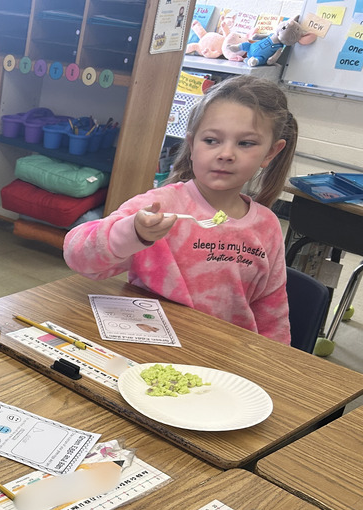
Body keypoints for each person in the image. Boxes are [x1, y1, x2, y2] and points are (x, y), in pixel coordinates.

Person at [64, 75, 297, 344]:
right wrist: (134, 233)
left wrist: (272, 365)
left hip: (225, 359)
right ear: (192, 145)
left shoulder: (266, 226)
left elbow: (272, 309)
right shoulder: (159, 208)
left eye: (245, 143)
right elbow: (78, 255)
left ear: (271, 153)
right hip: (149, 344)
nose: (226, 154)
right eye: (211, 140)